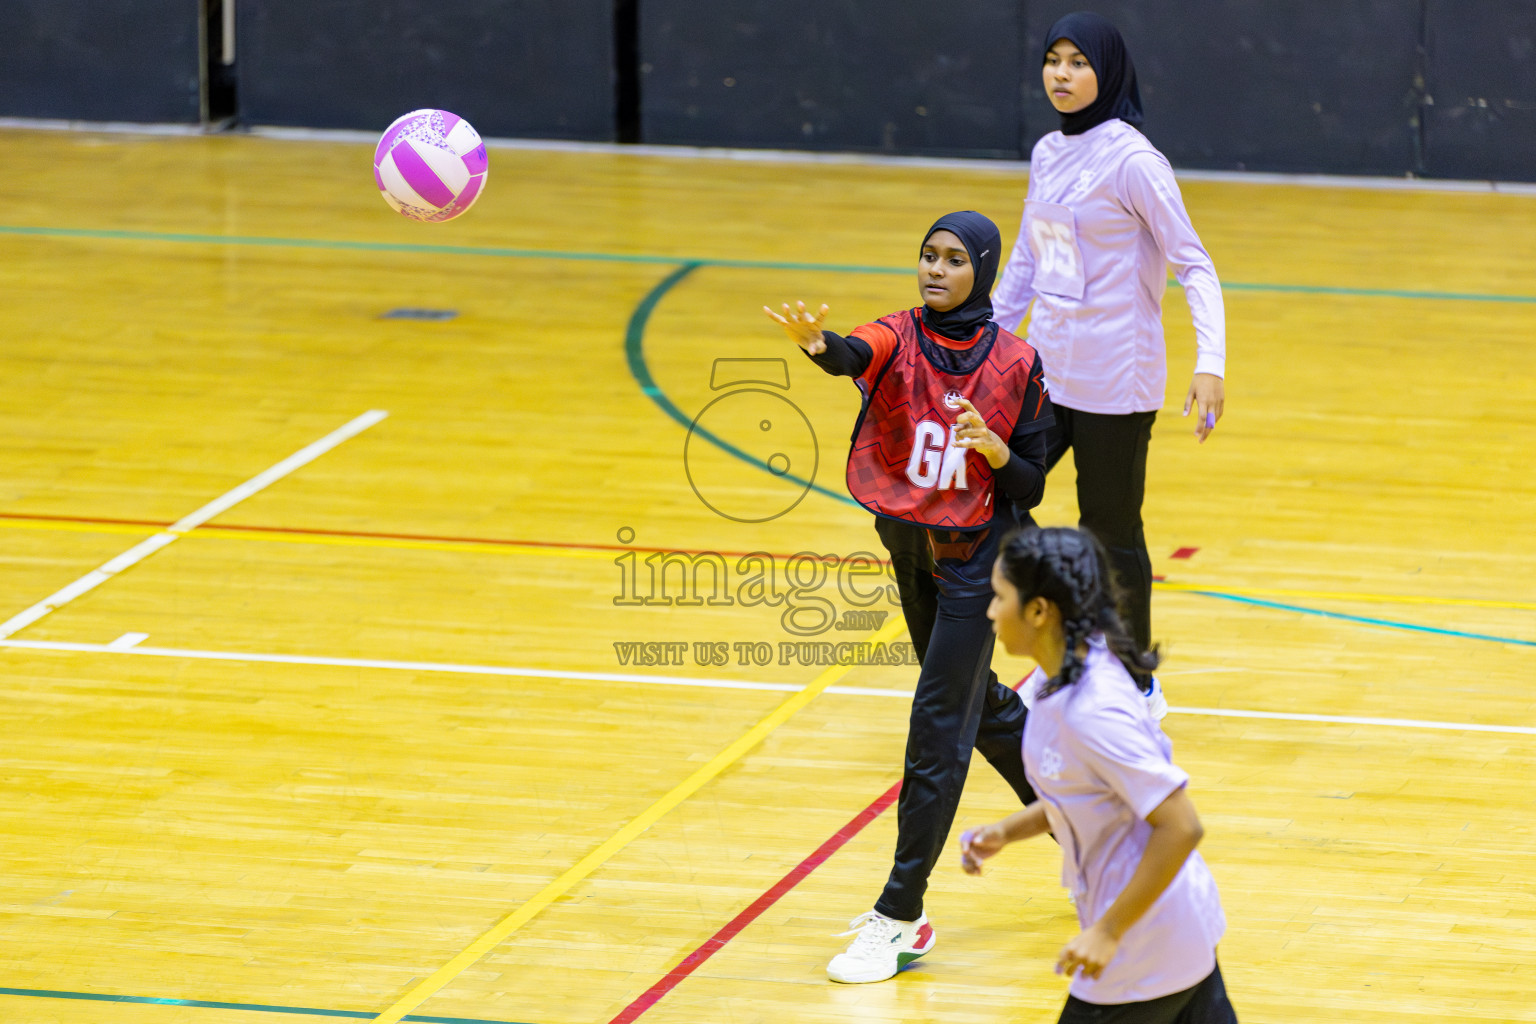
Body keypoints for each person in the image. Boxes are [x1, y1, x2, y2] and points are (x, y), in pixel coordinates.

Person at [764, 211, 1053, 983]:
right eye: (928, 255)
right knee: (976, 704)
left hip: (979, 565)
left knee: (937, 727)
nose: (935, 269)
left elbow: (1033, 481)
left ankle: (902, 914)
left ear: (981, 272)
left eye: (954, 260)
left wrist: (995, 451)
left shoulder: (1017, 363)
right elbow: (853, 352)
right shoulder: (899, 334)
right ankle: (1089, 819)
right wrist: (821, 346)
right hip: (912, 548)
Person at [992, 11, 1227, 660]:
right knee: (996, 494)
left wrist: (1211, 360)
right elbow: (1029, 263)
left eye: (1078, 63)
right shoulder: (1047, 152)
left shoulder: (1133, 162)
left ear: (1108, 71)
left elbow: (1194, 263)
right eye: (1053, 60)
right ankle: (1063, 627)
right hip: (1049, 373)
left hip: (1115, 385)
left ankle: (1132, 677)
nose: (1061, 75)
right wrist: (975, 343)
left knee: (1112, 532)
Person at [961, 526, 1237, 1023]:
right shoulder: (1061, 672)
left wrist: (1106, 931)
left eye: (1000, 597)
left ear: (1040, 611)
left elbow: (1182, 825)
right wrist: (1008, 830)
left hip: (1141, 946)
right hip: (1179, 932)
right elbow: (1086, 796)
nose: (990, 611)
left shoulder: (1093, 711)